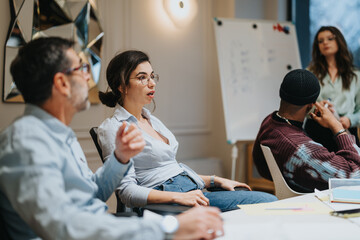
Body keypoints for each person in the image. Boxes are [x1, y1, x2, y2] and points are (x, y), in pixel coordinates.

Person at [0, 37, 224, 240]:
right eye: (82, 68)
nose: (89, 77)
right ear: (62, 83)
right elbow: (62, 226)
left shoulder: (60, 135)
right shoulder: (26, 142)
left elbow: (93, 193)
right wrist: (167, 228)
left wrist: (120, 159)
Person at [97, 50, 277, 212]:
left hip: (189, 191)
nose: (152, 83)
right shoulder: (113, 128)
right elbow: (127, 193)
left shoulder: (152, 120)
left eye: (152, 76)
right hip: (167, 201)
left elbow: (170, 170)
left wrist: (215, 180)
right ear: (121, 86)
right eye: (142, 77)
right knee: (266, 203)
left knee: (269, 202)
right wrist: (179, 197)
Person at [253, 69, 360, 193]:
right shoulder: (302, 150)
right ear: (311, 105)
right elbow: (355, 175)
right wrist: (337, 126)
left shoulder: (269, 122)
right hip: (314, 201)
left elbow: (262, 168)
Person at [305, 26, 360, 151]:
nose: (325, 43)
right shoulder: (309, 73)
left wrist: (350, 120)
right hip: (316, 130)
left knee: (351, 168)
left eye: (330, 39)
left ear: (339, 41)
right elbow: (302, 107)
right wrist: (317, 108)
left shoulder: (355, 75)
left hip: (345, 130)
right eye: (320, 41)